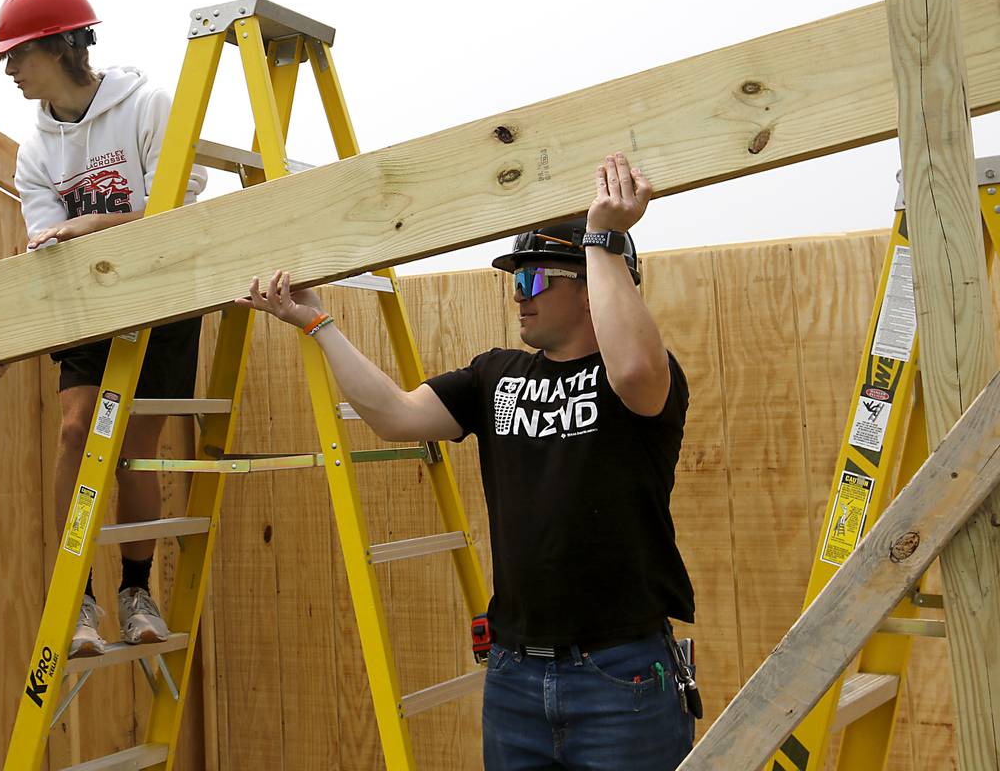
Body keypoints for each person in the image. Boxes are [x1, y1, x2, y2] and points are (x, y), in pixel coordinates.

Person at [238, 153, 697, 770]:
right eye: (514, 280)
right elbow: (396, 416)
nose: (518, 295)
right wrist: (317, 323)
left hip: (621, 676)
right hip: (514, 676)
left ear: (592, 286)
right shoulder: (494, 375)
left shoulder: (638, 383)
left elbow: (637, 366)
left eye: (534, 280)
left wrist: (604, 239)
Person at [0, 0, 207, 657]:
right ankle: (80, 600)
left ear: (64, 45)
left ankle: (135, 591)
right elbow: (47, 254)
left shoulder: (149, 106)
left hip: (163, 300)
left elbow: (175, 215)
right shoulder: (35, 153)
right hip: (87, 310)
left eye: (19, 54)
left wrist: (92, 223)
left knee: (132, 451)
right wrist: (1, 348)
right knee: (75, 431)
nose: (9, 70)